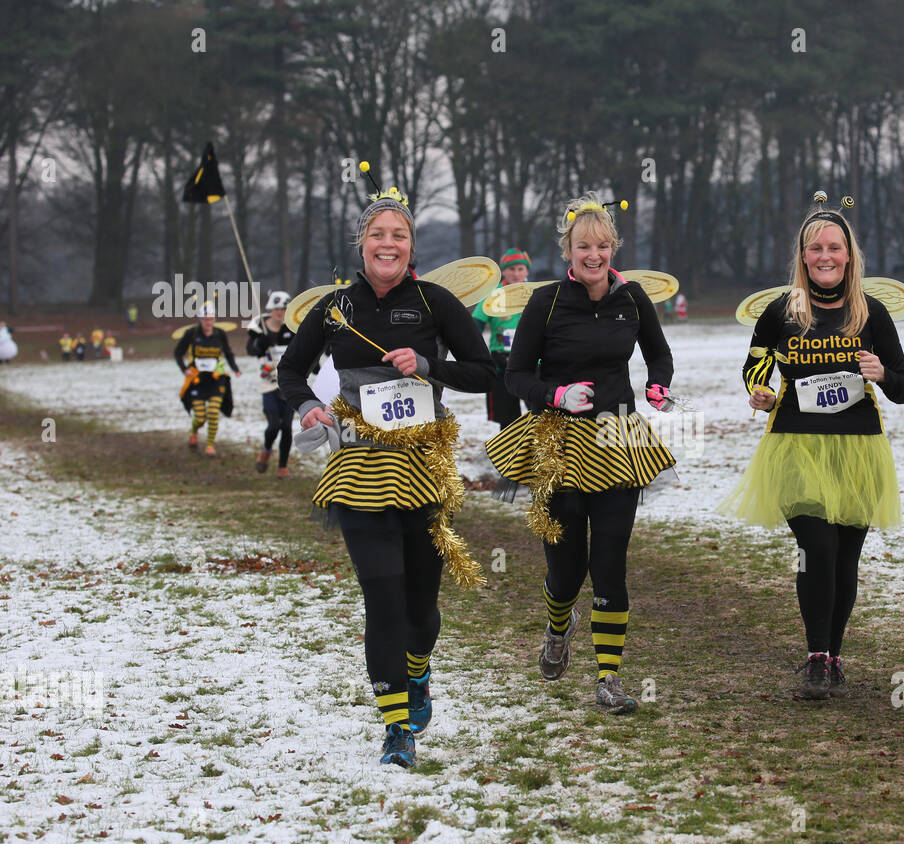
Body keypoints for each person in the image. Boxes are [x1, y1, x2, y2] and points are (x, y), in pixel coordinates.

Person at [277, 179, 494, 768]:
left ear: (411, 246)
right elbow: (290, 372)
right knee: (382, 598)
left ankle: (419, 669)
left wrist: (428, 365)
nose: (388, 243)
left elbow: (484, 371)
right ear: (362, 244)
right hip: (358, 466)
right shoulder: (335, 309)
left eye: (398, 234)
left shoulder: (435, 304)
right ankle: (397, 728)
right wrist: (308, 407)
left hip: (423, 464)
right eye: (378, 234)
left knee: (421, 603)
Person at [484, 193, 676, 715]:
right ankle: (556, 627)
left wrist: (657, 386)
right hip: (557, 443)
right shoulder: (545, 301)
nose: (594, 255)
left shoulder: (632, 298)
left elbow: (658, 354)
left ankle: (609, 679)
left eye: (603, 245)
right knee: (566, 567)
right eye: (583, 246)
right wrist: (555, 394)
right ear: (567, 249)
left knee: (610, 562)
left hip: (617, 440)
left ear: (614, 247)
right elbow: (516, 373)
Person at [719, 194, 904, 701]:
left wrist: (882, 372)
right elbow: (755, 365)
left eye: (834, 247)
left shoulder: (870, 312)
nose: (825, 256)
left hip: (858, 448)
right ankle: (815, 655)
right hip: (795, 444)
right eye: (815, 248)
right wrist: (757, 392)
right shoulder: (780, 311)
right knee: (816, 549)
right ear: (803, 256)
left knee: (845, 559)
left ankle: (834, 657)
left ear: (849, 256)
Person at [470, 248, 530, 429]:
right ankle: (509, 452)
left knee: (541, 410)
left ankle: (541, 450)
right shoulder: (493, 294)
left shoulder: (534, 293)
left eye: (520, 269)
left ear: (527, 271)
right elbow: (475, 325)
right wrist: (473, 352)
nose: (516, 274)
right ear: (503, 271)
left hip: (532, 359)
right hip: (501, 360)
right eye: (511, 269)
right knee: (507, 416)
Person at [175, 301, 240, 456]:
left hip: (216, 378)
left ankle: (210, 445)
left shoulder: (219, 334)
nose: (208, 322)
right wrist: (185, 369)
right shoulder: (192, 333)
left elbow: (228, 352)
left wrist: (235, 369)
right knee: (200, 417)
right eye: (205, 319)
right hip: (197, 380)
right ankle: (194, 431)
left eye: (211, 319)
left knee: (212, 412)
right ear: (200, 319)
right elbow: (178, 353)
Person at [247, 290, 296, 477]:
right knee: (274, 424)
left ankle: (282, 467)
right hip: (268, 385)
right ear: (270, 309)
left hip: (289, 385)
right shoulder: (260, 327)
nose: (280, 313)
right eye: (276, 309)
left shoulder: (293, 329)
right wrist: (260, 343)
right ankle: (266, 450)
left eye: (283, 309)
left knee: (287, 427)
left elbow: (305, 351)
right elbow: (250, 350)